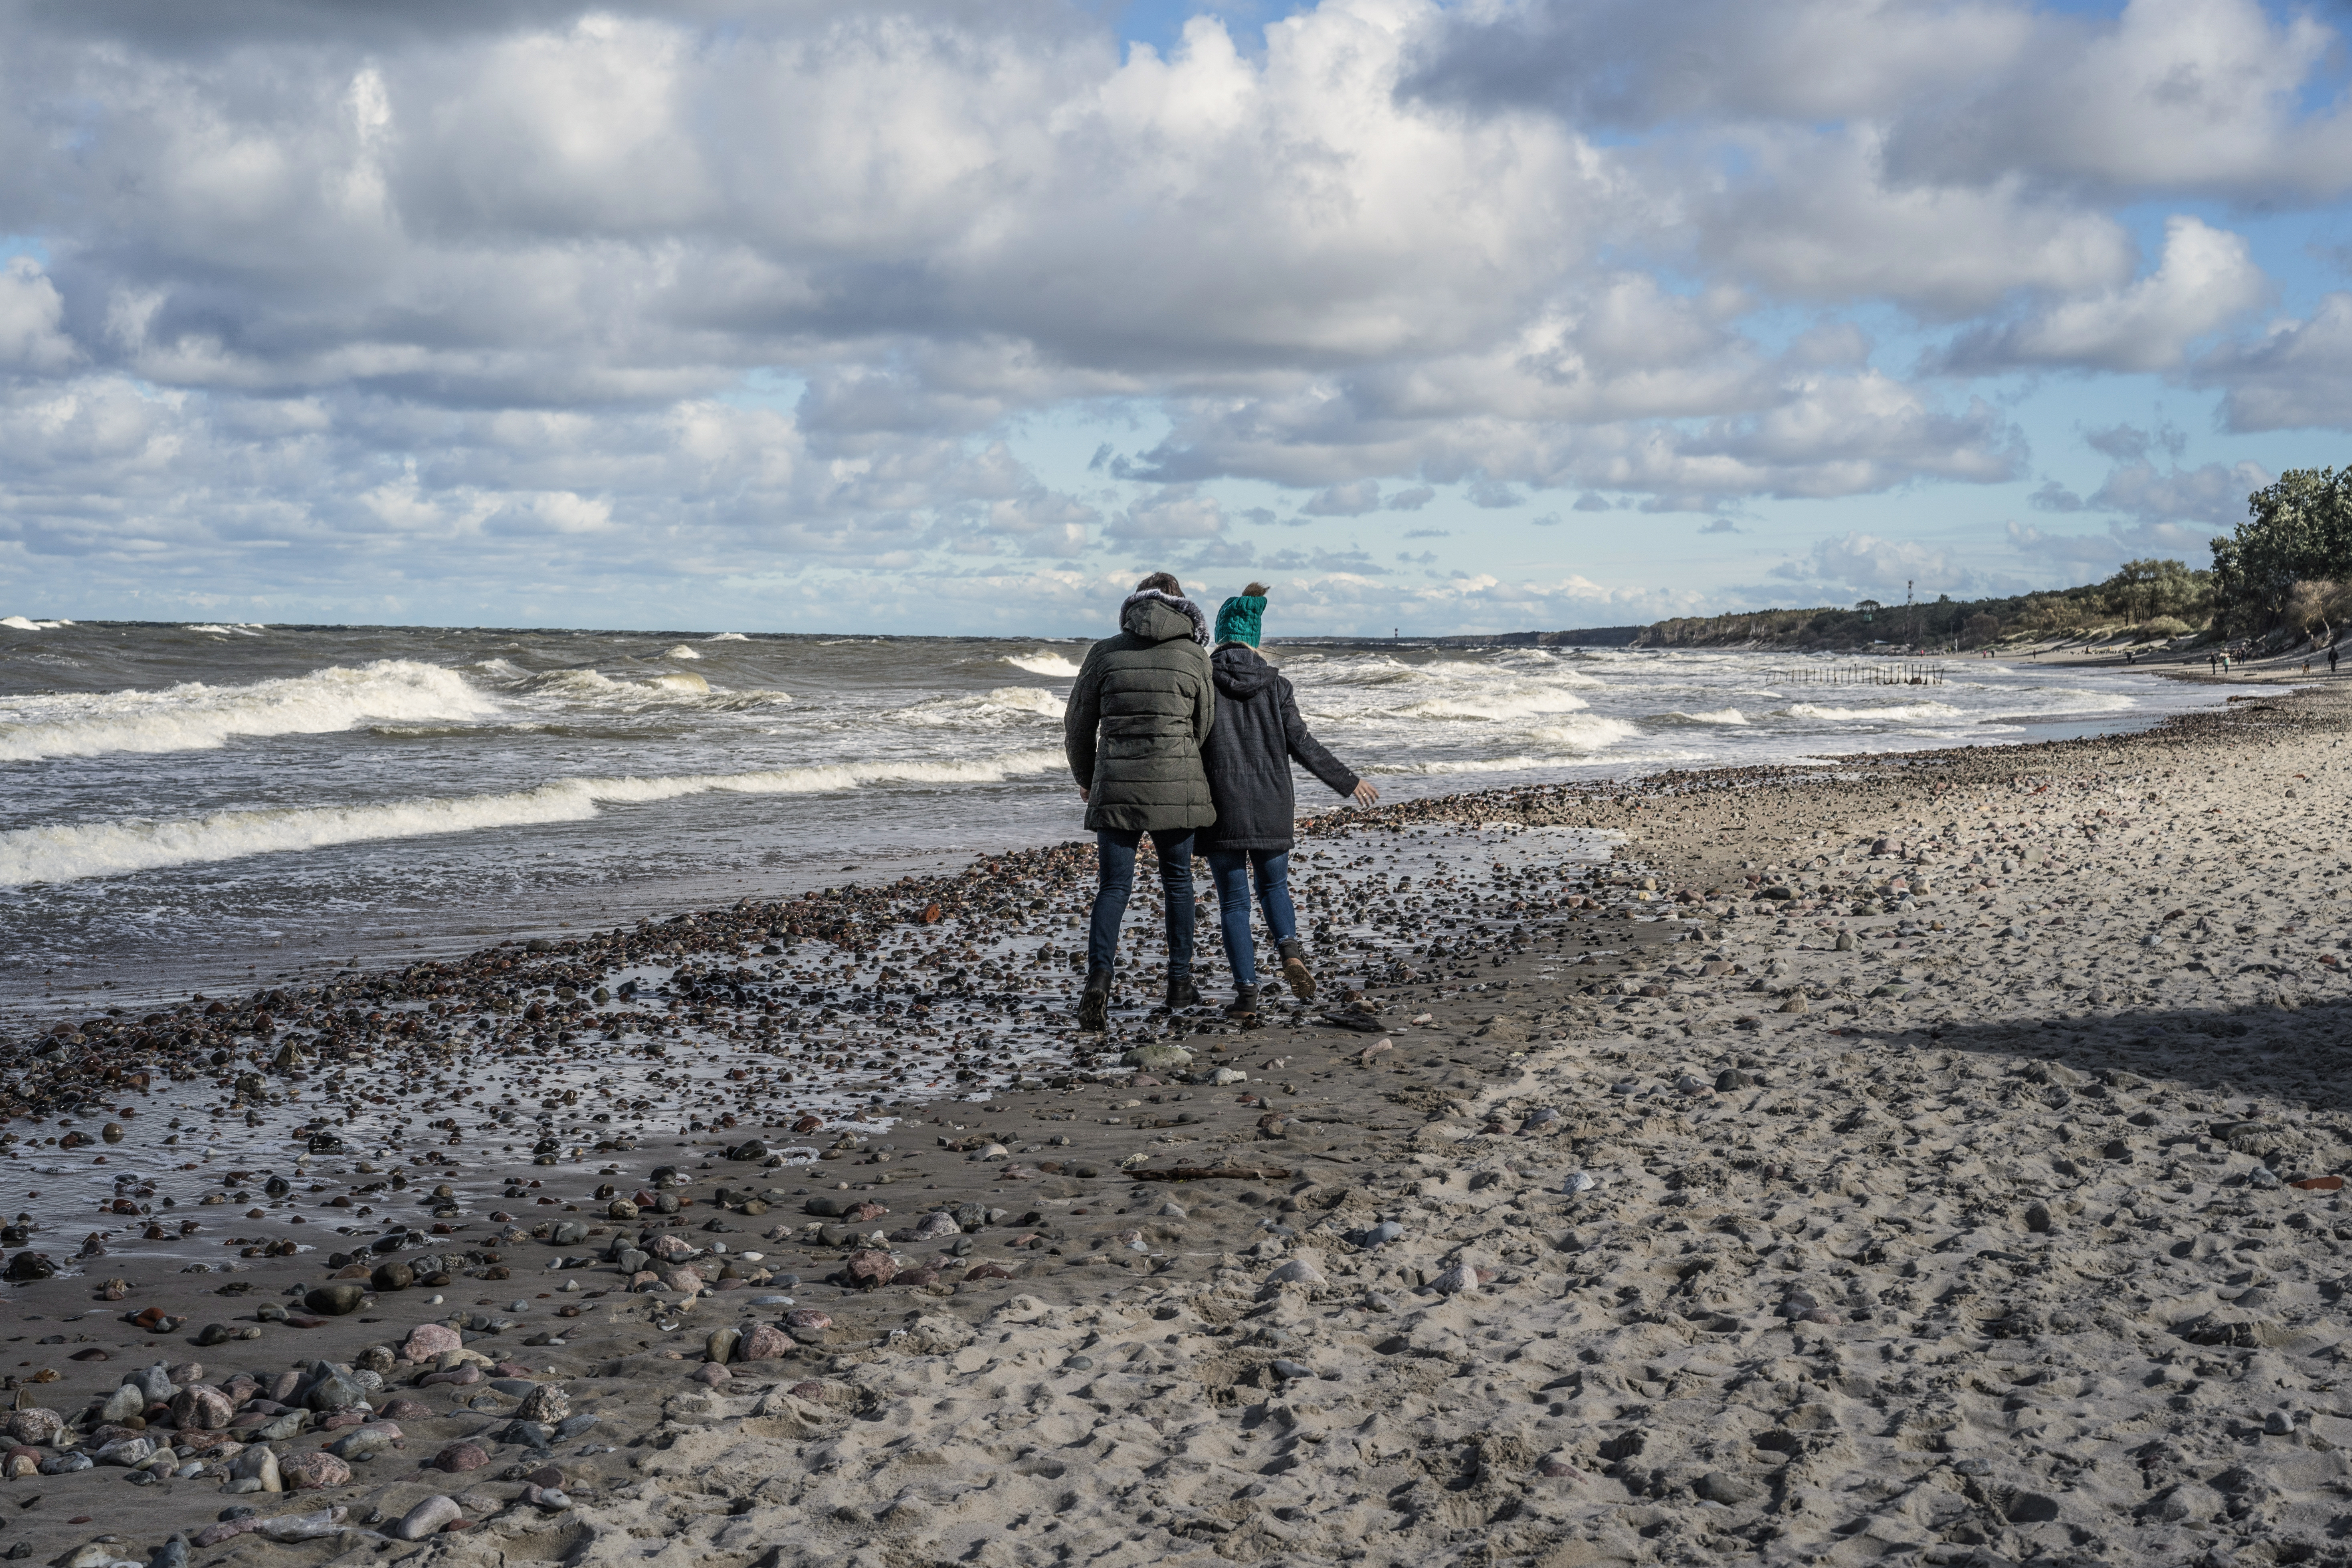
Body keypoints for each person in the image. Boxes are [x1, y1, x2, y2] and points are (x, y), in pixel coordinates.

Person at [1196, 584, 1378, 1016]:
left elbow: (1186, 744)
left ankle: (1246, 995)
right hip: (1273, 804)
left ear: (1220, 635)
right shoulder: (1277, 686)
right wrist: (1348, 782)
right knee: (1274, 885)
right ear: (1255, 636)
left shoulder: (1202, 681)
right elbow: (1302, 743)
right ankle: (1290, 951)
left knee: (1235, 902)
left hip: (1220, 808)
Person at [1063, 571, 1218, 1030]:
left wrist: (1088, 779)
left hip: (1117, 786)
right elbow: (1203, 725)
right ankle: (1179, 983)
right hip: (1177, 784)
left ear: (1135, 605)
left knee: (1114, 888)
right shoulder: (1194, 656)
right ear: (1182, 605)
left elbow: (1077, 725)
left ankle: (1099, 980)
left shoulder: (1105, 653)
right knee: (1178, 884)